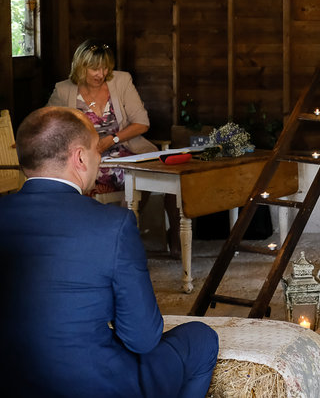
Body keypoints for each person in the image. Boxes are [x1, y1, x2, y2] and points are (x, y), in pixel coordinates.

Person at [0, 106, 218, 397]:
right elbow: (142, 338)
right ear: (79, 157)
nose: (99, 160)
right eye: (96, 151)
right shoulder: (113, 224)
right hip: (94, 384)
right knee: (201, 339)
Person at [47, 39, 157, 194]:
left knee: (141, 178)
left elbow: (142, 123)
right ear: (81, 67)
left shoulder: (122, 81)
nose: (102, 74)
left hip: (125, 153)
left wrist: (113, 139)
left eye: (105, 68)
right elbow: (47, 125)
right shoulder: (63, 90)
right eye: (95, 69)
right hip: (86, 160)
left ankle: (129, 217)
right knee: (77, 184)